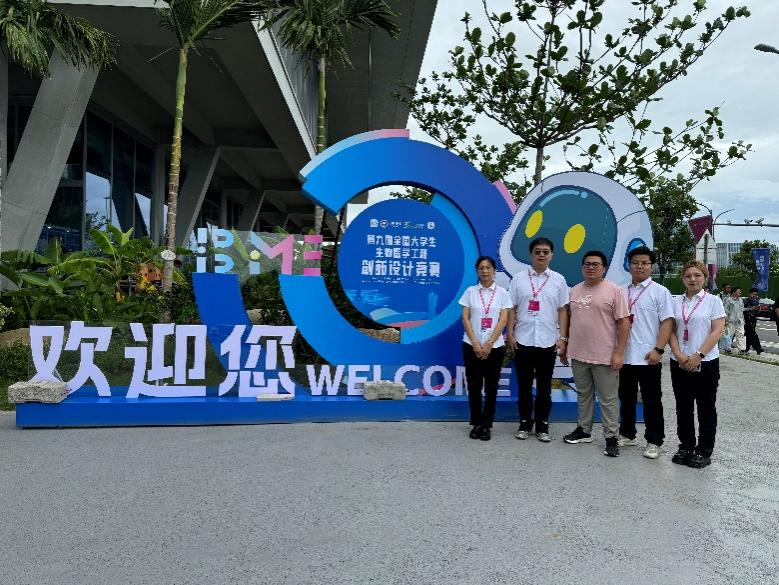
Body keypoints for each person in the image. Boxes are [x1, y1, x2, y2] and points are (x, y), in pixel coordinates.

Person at [563, 250, 630, 457]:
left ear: (604, 268)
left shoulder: (614, 291)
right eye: (587, 264)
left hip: (604, 356)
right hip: (578, 354)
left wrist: (619, 353)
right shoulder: (574, 291)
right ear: (582, 267)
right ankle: (584, 430)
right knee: (583, 395)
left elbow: (624, 323)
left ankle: (611, 437)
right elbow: (569, 320)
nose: (591, 267)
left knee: (608, 399)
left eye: (595, 264)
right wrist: (565, 345)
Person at [507, 237, 569, 442]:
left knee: (544, 387)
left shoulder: (559, 280)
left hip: (548, 341)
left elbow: (562, 310)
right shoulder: (518, 279)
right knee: (524, 386)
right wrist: (510, 334)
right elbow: (512, 308)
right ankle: (525, 423)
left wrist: (562, 337)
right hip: (522, 340)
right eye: (537, 251)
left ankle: (542, 424)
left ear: (551, 255)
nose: (541, 255)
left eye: (545, 252)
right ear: (531, 254)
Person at [617, 246, 674, 459]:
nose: (639, 266)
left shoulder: (660, 292)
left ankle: (654, 440)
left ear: (651, 266)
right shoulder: (620, 291)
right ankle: (627, 434)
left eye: (644, 263)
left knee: (652, 400)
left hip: (649, 356)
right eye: (635, 263)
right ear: (629, 265)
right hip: (625, 355)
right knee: (626, 397)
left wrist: (659, 349)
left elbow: (667, 323)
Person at [668, 260, 726, 469]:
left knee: (705, 407)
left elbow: (717, 330)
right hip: (679, 361)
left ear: (705, 278)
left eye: (697, 275)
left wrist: (698, 355)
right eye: (688, 276)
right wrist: (678, 354)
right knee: (683, 407)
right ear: (682, 279)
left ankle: (704, 450)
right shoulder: (675, 302)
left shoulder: (713, 301)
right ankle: (686, 446)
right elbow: (670, 330)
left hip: (706, 362)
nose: (692, 279)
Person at [459, 256, 512, 441]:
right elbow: (465, 318)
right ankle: (476, 423)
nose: (485, 271)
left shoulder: (502, 293)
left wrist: (489, 343)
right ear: (477, 271)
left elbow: (503, 320)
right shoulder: (470, 292)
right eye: (481, 268)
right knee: (474, 386)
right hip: (471, 345)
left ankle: (487, 424)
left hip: (495, 347)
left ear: (494, 271)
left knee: (491, 387)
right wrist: (475, 343)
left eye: (488, 267)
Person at [722, 286, 746, 353]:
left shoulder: (741, 300)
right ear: (734, 292)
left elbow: (741, 310)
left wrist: (743, 319)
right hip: (731, 321)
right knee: (729, 335)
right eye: (739, 292)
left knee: (741, 334)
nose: (740, 293)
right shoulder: (728, 300)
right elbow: (725, 311)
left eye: (740, 292)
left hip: (740, 321)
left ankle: (742, 349)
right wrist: (726, 320)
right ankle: (727, 348)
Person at [742, 288, 763, 355]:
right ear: (749, 293)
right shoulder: (743, 301)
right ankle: (757, 348)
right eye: (753, 294)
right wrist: (750, 309)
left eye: (756, 295)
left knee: (749, 334)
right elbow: (741, 309)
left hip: (753, 319)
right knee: (751, 334)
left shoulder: (756, 302)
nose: (754, 296)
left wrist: (759, 309)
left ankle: (747, 348)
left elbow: (758, 312)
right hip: (745, 319)